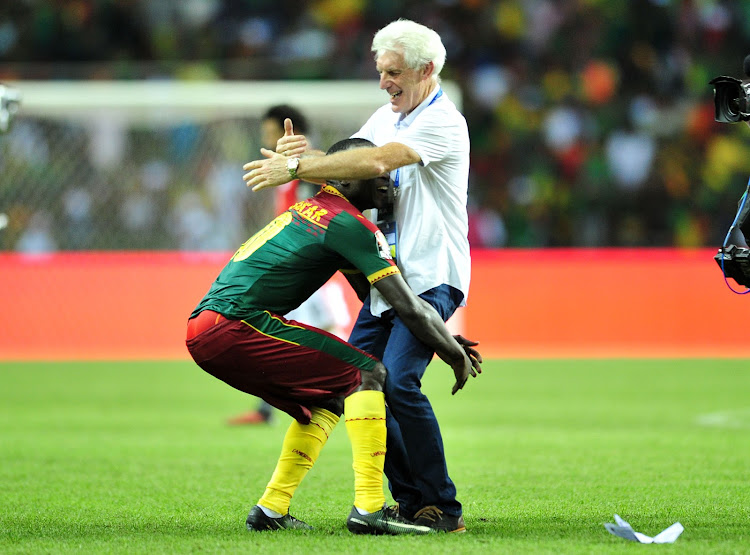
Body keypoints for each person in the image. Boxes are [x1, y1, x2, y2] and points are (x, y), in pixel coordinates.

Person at [242, 19, 472, 532]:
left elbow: (377, 162)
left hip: (433, 274)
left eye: (393, 73)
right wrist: (300, 159)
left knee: (401, 383)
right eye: (380, 72)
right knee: (361, 384)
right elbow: (349, 162)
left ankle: (443, 507)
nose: (384, 83)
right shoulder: (389, 113)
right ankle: (411, 503)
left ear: (426, 69)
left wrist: (299, 172)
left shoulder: (442, 122)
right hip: (386, 280)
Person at [187, 138, 481, 535]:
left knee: (328, 396)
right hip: (238, 324)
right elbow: (408, 306)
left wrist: (438, 336)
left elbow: (382, 302)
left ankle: (271, 509)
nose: (386, 181)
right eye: (372, 172)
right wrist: (452, 352)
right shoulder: (350, 226)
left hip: (206, 327)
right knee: (368, 374)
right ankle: (369, 510)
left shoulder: (315, 212)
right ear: (343, 179)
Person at [227, 104, 350, 426]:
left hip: (309, 264)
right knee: (284, 330)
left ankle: (352, 390)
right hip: (294, 262)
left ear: (289, 130)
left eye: (271, 133)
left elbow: (322, 207)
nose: (266, 139)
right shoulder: (285, 167)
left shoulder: (308, 163)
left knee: (320, 331)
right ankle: (283, 404)